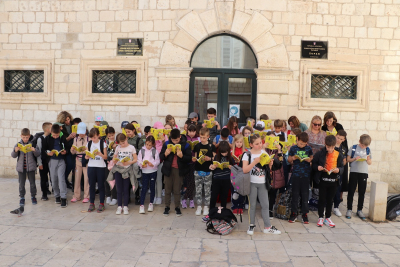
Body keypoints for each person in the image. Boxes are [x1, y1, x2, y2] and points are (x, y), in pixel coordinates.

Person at [243, 134, 281, 235]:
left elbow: (269, 170)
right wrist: (255, 162)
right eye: (256, 144)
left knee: (265, 205)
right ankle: (251, 226)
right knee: (253, 205)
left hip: (263, 183)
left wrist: (270, 164)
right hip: (251, 183)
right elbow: (245, 169)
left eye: (260, 143)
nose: (259, 145)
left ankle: (267, 227)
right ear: (251, 144)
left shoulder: (264, 152)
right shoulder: (247, 155)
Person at [312, 135, 344, 228]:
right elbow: (314, 164)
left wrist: (338, 170)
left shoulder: (339, 154)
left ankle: (328, 217)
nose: (330, 149)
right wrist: (318, 167)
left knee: (330, 200)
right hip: (322, 180)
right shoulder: (320, 154)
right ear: (325, 145)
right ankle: (321, 217)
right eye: (328, 147)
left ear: (335, 145)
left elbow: (342, 167)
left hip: (333, 180)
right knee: (321, 199)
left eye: (332, 147)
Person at [160, 129, 192, 217]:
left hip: (179, 170)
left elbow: (189, 158)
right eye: (173, 140)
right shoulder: (166, 144)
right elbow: (161, 156)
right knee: (167, 189)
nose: (174, 142)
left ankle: (177, 207)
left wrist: (182, 156)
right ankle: (167, 207)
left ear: (180, 137)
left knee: (177, 189)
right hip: (168, 169)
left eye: (176, 140)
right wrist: (165, 154)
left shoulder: (185, 145)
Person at [287, 132, 313, 223]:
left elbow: (311, 158)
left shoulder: (308, 148)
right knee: (295, 195)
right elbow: (289, 159)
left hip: (305, 175)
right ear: (297, 139)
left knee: (305, 195)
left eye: (304, 144)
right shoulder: (293, 148)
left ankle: (304, 214)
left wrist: (308, 159)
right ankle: (293, 213)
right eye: (301, 143)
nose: (302, 145)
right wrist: (293, 158)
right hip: (296, 175)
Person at [11, 128, 41, 207]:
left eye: (27, 137)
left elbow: (38, 154)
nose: (25, 139)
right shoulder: (18, 144)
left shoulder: (33, 144)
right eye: (23, 137)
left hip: (31, 167)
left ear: (29, 136)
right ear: (21, 136)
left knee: (32, 183)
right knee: (21, 184)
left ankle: (33, 196)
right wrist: (15, 151)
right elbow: (13, 155)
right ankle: (22, 197)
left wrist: (34, 150)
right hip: (21, 168)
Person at [346, 134, 372, 221]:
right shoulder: (353, 147)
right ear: (359, 141)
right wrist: (354, 159)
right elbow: (348, 159)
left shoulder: (368, 150)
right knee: (351, 191)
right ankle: (349, 209)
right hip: (354, 171)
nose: (363, 146)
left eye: (365, 145)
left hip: (363, 172)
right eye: (362, 145)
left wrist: (367, 160)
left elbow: (370, 162)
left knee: (362, 192)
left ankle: (359, 210)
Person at [112, 133, 138, 215]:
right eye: (120, 143)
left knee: (126, 189)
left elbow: (135, 159)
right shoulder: (118, 148)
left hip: (127, 170)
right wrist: (115, 160)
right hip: (118, 169)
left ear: (126, 139)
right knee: (119, 189)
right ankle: (119, 206)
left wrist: (129, 162)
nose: (122, 145)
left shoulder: (131, 147)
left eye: (123, 142)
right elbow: (114, 158)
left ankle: (126, 206)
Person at [42, 124, 68, 208]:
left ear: (59, 132)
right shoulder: (47, 139)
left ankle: (63, 197)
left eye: (57, 135)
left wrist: (65, 151)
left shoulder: (63, 137)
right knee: (54, 179)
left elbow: (67, 147)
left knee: (61, 179)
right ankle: (57, 196)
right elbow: (44, 149)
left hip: (61, 160)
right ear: (51, 132)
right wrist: (48, 153)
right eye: (54, 135)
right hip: (52, 161)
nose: (55, 137)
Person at [193, 127, 216, 216]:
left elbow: (215, 158)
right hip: (198, 170)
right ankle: (199, 206)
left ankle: (206, 206)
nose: (202, 139)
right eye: (201, 137)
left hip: (208, 171)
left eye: (204, 137)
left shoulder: (211, 146)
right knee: (198, 190)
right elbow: (195, 156)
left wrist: (209, 158)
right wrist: (195, 159)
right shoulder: (197, 146)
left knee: (207, 190)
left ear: (208, 136)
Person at [85, 128, 108, 213]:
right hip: (91, 166)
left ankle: (102, 203)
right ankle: (92, 203)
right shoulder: (89, 143)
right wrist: (88, 156)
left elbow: (106, 157)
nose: (93, 139)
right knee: (91, 185)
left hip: (101, 167)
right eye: (92, 138)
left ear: (98, 135)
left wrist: (100, 154)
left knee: (101, 185)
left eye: (95, 137)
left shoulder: (103, 143)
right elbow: (86, 156)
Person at [209, 141, 235, 210]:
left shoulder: (230, 158)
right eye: (222, 152)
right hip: (217, 178)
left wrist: (231, 167)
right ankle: (211, 210)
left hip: (226, 179)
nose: (224, 154)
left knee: (224, 196)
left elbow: (234, 168)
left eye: (226, 152)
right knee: (214, 195)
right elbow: (212, 167)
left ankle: (223, 211)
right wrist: (213, 167)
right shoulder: (217, 157)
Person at [137, 136, 160, 214]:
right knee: (144, 188)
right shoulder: (142, 151)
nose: (148, 146)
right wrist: (141, 165)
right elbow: (138, 160)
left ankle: (151, 203)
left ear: (153, 144)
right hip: (144, 172)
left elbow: (157, 161)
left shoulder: (155, 151)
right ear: (145, 143)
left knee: (152, 187)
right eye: (147, 144)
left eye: (150, 145)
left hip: (153, 171)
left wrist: (152, 164)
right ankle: (142, 205)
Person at [265, 132, 285, 218]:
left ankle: (270, 209)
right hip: (266, 173)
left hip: (275, 174)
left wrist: (279, 150)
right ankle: (265, 209)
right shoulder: (265, 149)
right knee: (265, 193)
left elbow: (281, 161)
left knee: (273, 192)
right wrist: (263, 148)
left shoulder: (278, 150)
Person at [70, 122, 90, 203]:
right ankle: (76, 195)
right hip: (78, 160)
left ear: (85, 131)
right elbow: (73, 152)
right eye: (80, 133)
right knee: (77, 178)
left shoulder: (89, 139)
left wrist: (86, 150)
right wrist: (72, 150)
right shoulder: (75, 139)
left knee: (86, 179)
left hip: (86, 160)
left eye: (83, 132)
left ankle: (87, 196)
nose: (81, 134)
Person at [182, 124, 200, 209]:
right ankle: (187, 198)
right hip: (186, 162)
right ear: (187, 131)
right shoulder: (184, 138)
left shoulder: (198, 139)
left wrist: (196, 157)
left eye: (193, 131)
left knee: (192, 181)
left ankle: (189, 199)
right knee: (187, 181)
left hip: (194, 162)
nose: (192, 133)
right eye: (190, 131)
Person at [57, 111, 75, 190]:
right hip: (66, 149)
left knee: (72, 166)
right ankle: (64, 180)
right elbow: (62, 140)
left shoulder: (73, 125)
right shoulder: (60, 128)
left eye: (68, 119)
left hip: (74, 148)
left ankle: (67, 181)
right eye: (66, 120)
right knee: (69, 165)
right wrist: (70, 137)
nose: (68, 121)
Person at [333, 130, 348, 217]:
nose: (338, 140)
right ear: (335, 136)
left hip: (338, 172)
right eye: (338, 137)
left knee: (338, 189)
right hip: (330, 171)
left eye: (341, 139)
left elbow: (345, 162)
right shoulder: (331, 146)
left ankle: (336, 207)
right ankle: (326, 206)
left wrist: (341, 162)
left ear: (344, 139)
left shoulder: (343, 149)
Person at [36, 122, 52, 201]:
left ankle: (52, 190)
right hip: (43, 161)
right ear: (47, 129)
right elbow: (38, 152)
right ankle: (44, 194)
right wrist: (40, 163)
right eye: (51, 128)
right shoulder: (40, 139)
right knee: (43, 178)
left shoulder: (51, 138)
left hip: (50, 161)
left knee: (52, 177)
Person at [231, 134, 246, 215]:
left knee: (241, 190)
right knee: (234, 190)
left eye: (240, 142)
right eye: (237, 142)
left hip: (242, 173)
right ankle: (235, 205)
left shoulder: (245, 151)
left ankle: (241, 206)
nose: (239, 144)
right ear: (234, 142)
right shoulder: (232, 152)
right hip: (234, 174)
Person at [105, 127, 118, 206]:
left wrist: (115, 147)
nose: (111, 137)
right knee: (107, 180)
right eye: (109, 136)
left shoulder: (117, 142)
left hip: (115, 164)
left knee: (114, 180)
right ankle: (108, 195)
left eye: (112, 135)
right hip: (107, 163)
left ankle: (114, 197)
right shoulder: (105, 142)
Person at [153, 121, 165, 204]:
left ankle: (159, 197)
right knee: (153, 179)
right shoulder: (151, 137)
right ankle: (153, 196)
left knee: (159, 179)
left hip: (161, 160)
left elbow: (166, 148)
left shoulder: (165, 137)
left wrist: (163, 141)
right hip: (152, 161)